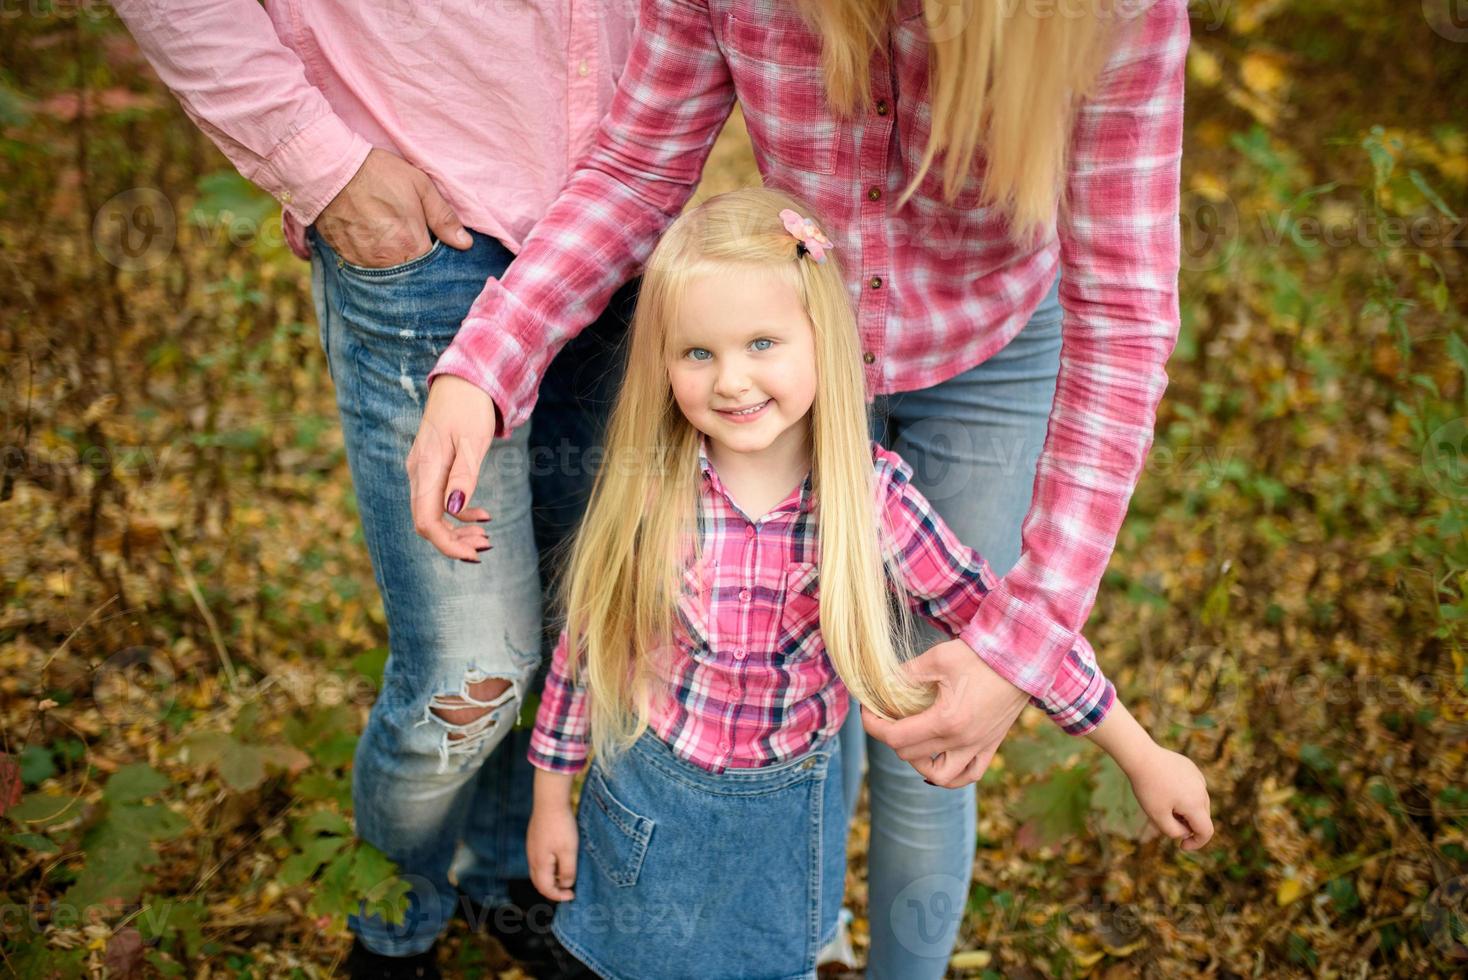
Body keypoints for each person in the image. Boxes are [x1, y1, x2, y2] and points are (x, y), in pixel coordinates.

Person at [408, 0, 1191, 973]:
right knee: (822, 668)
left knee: (932, 730)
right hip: (803, 356)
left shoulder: (1109, 15)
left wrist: (1040, 662)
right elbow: (637, 169)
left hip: (992, 348)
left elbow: (1122, 310)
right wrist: (484, 362)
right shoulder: (693, 467)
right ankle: (799, 941)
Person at [520, 188, 1212, 980]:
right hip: (646, 804)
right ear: (664, 362)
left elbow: (1008, 629)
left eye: (762, 343)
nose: (733, 381)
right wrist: (549, 799)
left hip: (779, 831)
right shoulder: (650, 489)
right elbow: (587, 646)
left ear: (822, 341)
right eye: (699, 353)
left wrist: (1140, 752)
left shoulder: (867, 500)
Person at [109, 1, 641, 975]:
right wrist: (323, 164)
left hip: (623, 216)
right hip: (434, 226)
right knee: (471, 669)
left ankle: (504, 877)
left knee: (579, 610)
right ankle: (394, 929)